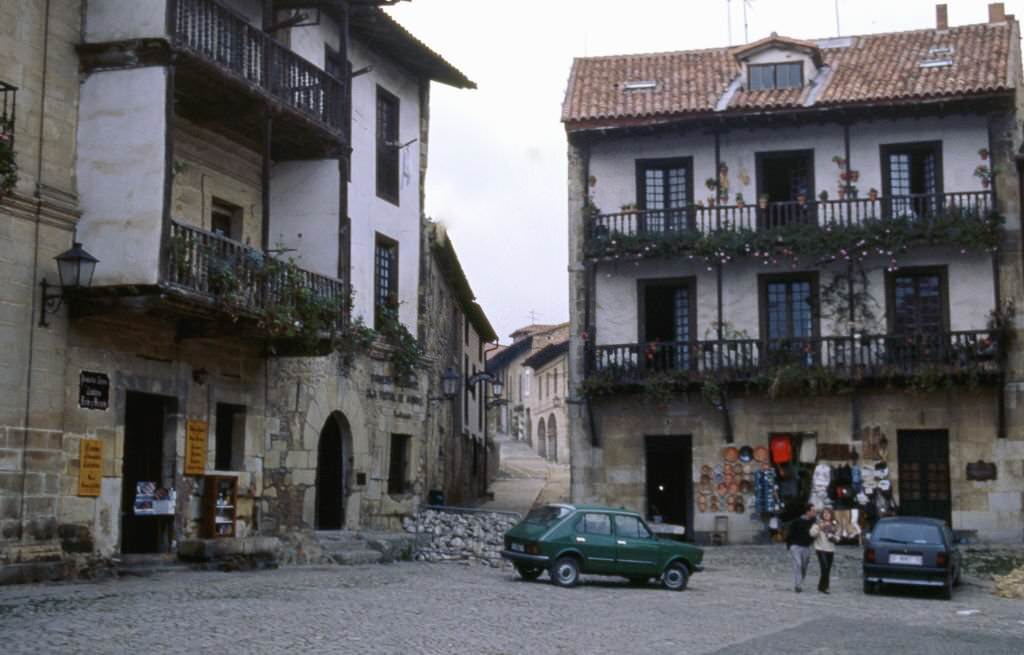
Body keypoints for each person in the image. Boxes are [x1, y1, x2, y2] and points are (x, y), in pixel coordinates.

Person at [785, 504, 816, 593]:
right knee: (798, 564)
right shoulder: (797, 521)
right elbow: (790, 534)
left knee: (804, 566)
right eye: (813, 511)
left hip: (806, 547)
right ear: (808, 512)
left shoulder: (814, 522)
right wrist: (790, 545)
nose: (815, 512)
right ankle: (798, 585)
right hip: (795, 546)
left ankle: (800, 581)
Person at [810, 507, 838, 593]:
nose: (826, 515)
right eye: (824, 513)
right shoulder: (818, 524)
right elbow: (812, 534)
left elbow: (838, 536)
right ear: (822, 515)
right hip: (820, 548)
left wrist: (834, 537)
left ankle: (822, 586)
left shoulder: (834, 525)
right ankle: (824, 587)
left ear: (831, 515)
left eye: (828, 513)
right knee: (824, 567)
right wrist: (819, 528)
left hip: (830, 549)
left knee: (828, 568)